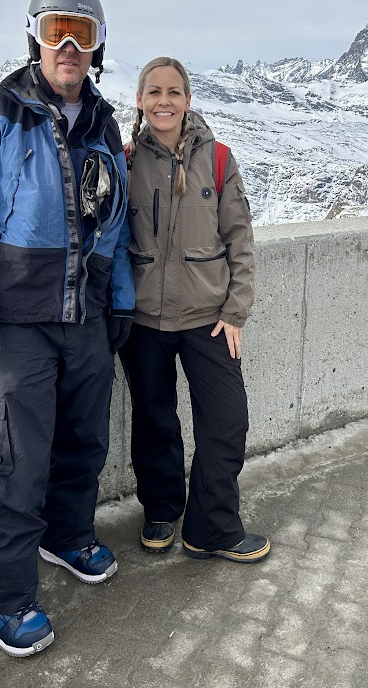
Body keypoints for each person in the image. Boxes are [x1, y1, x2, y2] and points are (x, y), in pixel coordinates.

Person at [0, 0, 134, 657]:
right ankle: (5, 599)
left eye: (83, 33)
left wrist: (122, 301)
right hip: (13, 320)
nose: (69, 46)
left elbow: (116, 224)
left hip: (85, 318)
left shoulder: (104, 126)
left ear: (99, 47)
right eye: (55, 31)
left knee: (84, 440)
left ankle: (66, 534)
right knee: (15, 465)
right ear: (33, 37)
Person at [120, 56, 270, 565]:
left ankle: (211, 526)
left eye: (174, 92)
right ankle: (161, 509)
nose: (164, 101)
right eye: (154, 92)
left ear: (188, 100)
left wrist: (236, 311)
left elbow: (240, 241)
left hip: (209, 318)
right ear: (140, 101)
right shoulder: (124, 161)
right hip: (144, 321)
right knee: (155, 420)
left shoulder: (219, 159)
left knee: (226, 422)